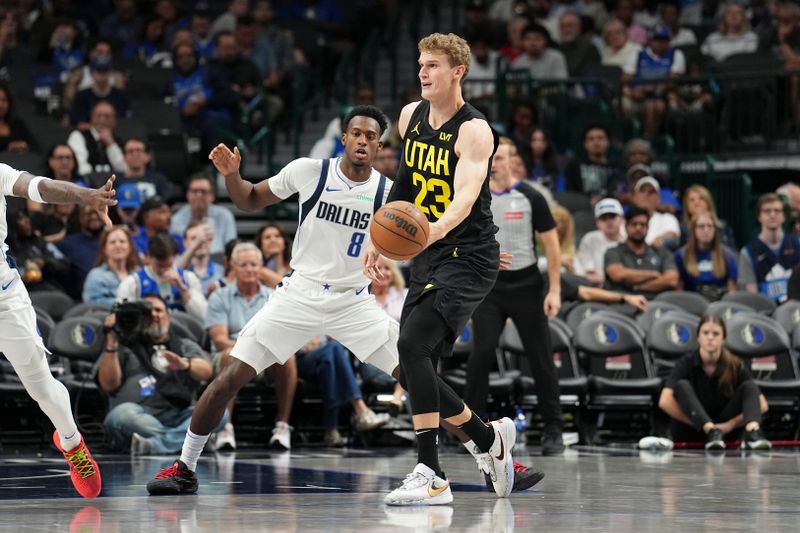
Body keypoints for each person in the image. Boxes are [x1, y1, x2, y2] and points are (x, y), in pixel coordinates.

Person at [147, 103, 539, 498]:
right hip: (299, 294)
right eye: (357, 133)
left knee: (421, 379)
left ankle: (488, 450)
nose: (363, 141)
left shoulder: (389, 192)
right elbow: (248, 199)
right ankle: (185, 467)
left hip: (353, 302)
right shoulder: (309, 172)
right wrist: (232, 176)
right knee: (229, 376)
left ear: (379, 144)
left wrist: (478, 250)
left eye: (372, 136)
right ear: (344, 137)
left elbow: (432, 229)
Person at [363, 33, 519, 506]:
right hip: (429, 253)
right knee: (414, 366)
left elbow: (466, 197)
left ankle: (431, 473)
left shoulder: (475, 130)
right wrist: (382, 239)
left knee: (411, 344)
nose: (423, 72)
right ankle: (488, 440)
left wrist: (428, 231)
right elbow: (407, 183)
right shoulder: (411, 116)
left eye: (432, 65)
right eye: (420, 65)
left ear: (458, 72)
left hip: (468, 254)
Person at [0, 162, 115, 498]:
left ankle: (71, 441)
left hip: (4, 298)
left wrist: (87, 196)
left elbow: (41, 187)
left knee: (41, 387)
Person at [464, 139, 565, 455]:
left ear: (512, 162)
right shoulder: (476, 195)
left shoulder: (531, 196)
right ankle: (473, 430)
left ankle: (554, 430)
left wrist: (555, 290)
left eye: (501, 158)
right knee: (481, 352)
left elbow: (551, 245)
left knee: (540, 357)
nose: (495, 164)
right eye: (491, 159)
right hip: (490, 286)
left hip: (526, 284)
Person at [98, 294, 225, 454]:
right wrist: (111, 342)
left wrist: (185, 364)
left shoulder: (183, 344)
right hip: (140, 416)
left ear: (168, 316)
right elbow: (109, 384)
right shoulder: (124, 345)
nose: (154, 315)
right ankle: (188, 442)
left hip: (180, 414)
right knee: (121, 414)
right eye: (148, 312)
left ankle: (155, 445)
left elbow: (206, 371)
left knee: (219, 412)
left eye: (158, 310)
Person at [204, 242, 295, 451]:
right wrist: (250, 348)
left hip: (264, 356)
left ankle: (282, 426)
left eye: (254, 264)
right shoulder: (219, 296)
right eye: (243, 265)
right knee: (231, 354)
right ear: (232, 267)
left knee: (287, 355)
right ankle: (225, 427)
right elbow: (219, 339)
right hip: (229, 353)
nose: (249, 269)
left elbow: (281, 334)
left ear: (261, 267)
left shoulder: (274, 297)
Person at [658, 314, 771, 450]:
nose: (710, 338)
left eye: (716, 334)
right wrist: (700, 424)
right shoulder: (686, 363)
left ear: (723, 339)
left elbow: (762, 405)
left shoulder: (734, 364)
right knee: (682, 385)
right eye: (706, 333)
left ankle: (753, 433)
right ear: (698, 338)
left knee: (749, 386)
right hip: (694, 428)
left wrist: (730, 425)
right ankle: (710, 430)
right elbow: (664, 401)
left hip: (724, 429)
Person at [117, 233, 208, 321]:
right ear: (149, 257)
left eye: (168, 265)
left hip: (183, 331)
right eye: (160, 265)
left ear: (175, 257)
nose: (164, 270)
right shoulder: (133, 283)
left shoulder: (188, 278)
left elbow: (203, 317)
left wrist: (182, 289)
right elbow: (122, 316)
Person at [604, 206, 679, 299]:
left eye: (643, 225)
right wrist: (653, 274)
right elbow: (617, 274)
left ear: (648, 228)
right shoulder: (614, 252)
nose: (638, 228)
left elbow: (672, 279)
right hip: (623, 305)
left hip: (656, 303)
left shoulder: (660, 252)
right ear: (626, 226)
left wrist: (638, 287)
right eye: (634, 224)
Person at [738, 192, 800, 303]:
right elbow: (752, 297)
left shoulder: (797, 244)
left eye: (777, 210)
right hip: (765, 314)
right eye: (767, 211)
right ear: (759, 216)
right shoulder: (748, 252)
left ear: (784, 216)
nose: (772, 214)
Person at [171, 172, 237, 257]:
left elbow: (231, 248)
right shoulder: (176, 220)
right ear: (188, 194)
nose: (199, 195)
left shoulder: (225, 216)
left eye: (203, 191)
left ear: (212, 196)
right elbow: (177, 252)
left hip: (220, 264)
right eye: (194, 191)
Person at [675, 212, 738, 300]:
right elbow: (679, 289)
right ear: (694, 230)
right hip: (692, 304)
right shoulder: (681, 255)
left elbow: (732, 290)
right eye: (701, 226)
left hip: (720, 304)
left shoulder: (727, 255)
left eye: (710, 226)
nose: (706, 230)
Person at [67, 101, 128, 177]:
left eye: (107, 116)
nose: (102, 120)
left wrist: (111, 144)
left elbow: (124, 169)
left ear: (114, 121)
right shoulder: (78, 135)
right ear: (91, 117)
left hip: (114, 184)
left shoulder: (117, 141)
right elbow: (80, 167)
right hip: (86, 183)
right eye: (98, 115)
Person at [575, 197, 627, 286]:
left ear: (622, 219)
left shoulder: (630, 238)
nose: (608, 221)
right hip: (599, 290)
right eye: (603, 218)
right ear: (597, 223)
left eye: (612, 216)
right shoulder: (590, 239)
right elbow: (588, 274)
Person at [83, 225, 139, 306]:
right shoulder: (96, 275)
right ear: (104, 249)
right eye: (113, 242)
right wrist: (126, 304)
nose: (118, 245)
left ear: (130, 247)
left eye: (122, 241)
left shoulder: (137, 275)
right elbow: (91, 304)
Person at [630, 176, 680, 248]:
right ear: (634, 197)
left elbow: (672, 235)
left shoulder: (668, 218)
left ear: (658, 198)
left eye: (651, 192)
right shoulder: (622, 220)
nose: (646, 194)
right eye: (642, 190)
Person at [177, 222, 223, 296]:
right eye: (194, 238)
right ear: (184, 243)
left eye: (204, 237)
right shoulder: (182, 270)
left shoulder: (222, 271)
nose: (200, 242)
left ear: (210, 240)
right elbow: (176, 271)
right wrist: (196, 244)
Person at [0, 81, 35, 152]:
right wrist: (8, 147)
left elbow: (34, 148)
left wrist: (24, 145)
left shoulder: (17, 123)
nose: (0, 105)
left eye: (4, 100)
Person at [255, 223, 291, 288]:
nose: (273, 240)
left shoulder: (296, 267)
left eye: (277, 236)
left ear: (284, 242)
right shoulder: (254, 271)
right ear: (260, 245)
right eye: (267, 237)